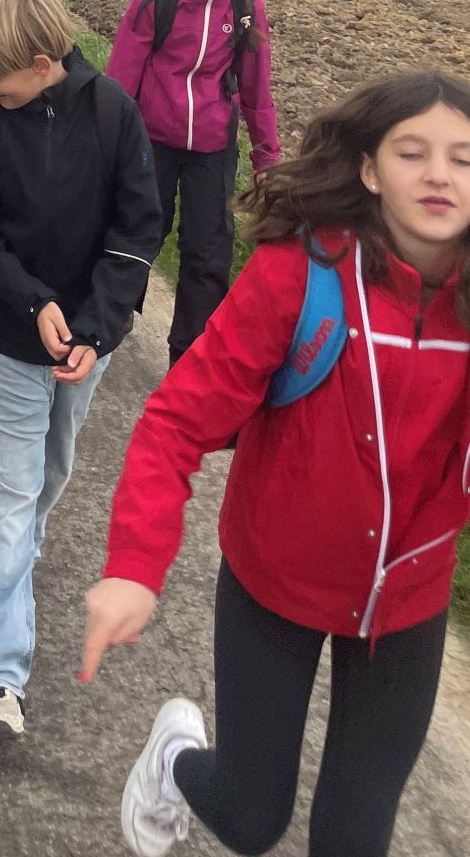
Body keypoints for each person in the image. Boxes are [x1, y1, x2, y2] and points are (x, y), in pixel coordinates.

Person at [82, 69, 470, 857]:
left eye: (464, 157)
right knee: (252, 819)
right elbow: (176, 422)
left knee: (355, 838)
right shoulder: (303, 276)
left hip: (408, 603)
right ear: (369, 170)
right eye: (413, 152)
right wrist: (133, 565)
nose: (440, 174)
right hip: (276, 581)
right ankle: (175, 756)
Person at [0, 0, 161, 741]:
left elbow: (138, 231)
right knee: (9, 496)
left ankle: (6, 567)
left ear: (43, 63)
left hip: (86, 342)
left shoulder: (115, 115)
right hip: (6, 334)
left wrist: (95, 329)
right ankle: (0, 675)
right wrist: (33, 301)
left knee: (50, 476)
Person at [107, 0, 280, 366]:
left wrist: (267, 156)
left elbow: (256, 85)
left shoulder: (244, 0)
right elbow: (122, 75)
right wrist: (107, 138)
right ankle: (112, 315)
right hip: (151, 140)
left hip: (212, 145)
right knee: (143, 228)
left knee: (209, 251)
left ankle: (189, 358)